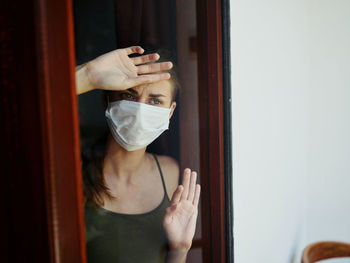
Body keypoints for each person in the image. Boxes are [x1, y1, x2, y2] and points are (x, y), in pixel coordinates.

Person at [76, 46, 201, 263]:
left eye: (155, 101)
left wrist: (180, 250)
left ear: (169, 112)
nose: (140, 110)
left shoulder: (171, 173)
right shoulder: (74, 170)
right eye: (128, 95)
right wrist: (88, 75)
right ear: (107, 100)